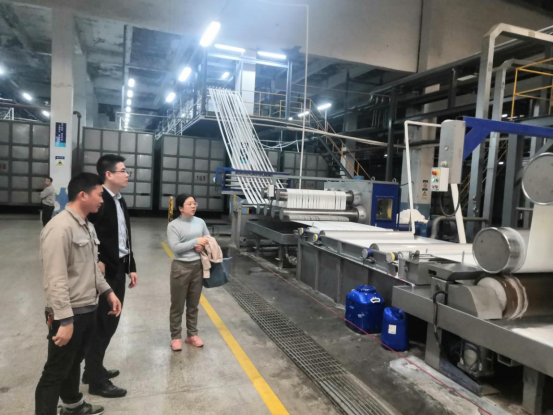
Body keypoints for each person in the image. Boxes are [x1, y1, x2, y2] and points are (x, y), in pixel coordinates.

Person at [35, 172, 122, 415]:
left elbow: (91, 268)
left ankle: (72, 405)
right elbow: (55, 279)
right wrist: (65, 320)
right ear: (83, 195)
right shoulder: (59, 228)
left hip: (88, 308)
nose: (102, 200)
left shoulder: (86, 226)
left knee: (73, 362)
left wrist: (108, 292)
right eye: (99, 195)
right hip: (69, 313)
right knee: (55, 371)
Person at [83, 154, 138, 398]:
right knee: (104, 323)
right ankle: (96, 381)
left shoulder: (118, 199)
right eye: (123, 171)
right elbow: (86, 230)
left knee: (108, 322)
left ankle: (92, 369)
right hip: (106, 270)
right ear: (108, 174)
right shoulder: (99, 199)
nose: (127, 175)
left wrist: (131, 265)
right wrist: (98, 260)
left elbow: (124, 235)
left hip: (119, 266)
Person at [167, 194, 210, 351]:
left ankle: (192, 335)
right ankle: (176, 337)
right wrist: (195, 242)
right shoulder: (173, 225)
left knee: (193, 304)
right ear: (180, 208)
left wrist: (203, 246)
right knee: (177, 305)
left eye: (194, 203)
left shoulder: (200, 222)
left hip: (197, 267)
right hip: (181, 268)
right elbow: (175, 247)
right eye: (189, 204)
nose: (193, 206)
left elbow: (208, 238)